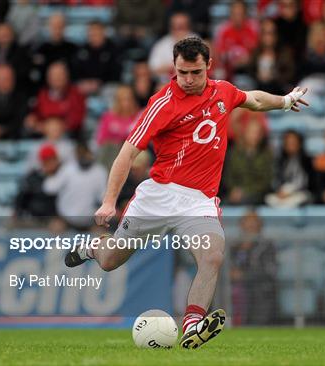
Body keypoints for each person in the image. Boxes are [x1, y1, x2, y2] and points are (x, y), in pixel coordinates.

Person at [64, 37, 308, 349]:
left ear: (209, 65)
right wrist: (109, 201)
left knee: (213, 255)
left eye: (195, 72)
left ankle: (192, 324)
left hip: (199, 200)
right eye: (182, 73)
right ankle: (93, 248)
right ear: (174, 69)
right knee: (111, 260)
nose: (189, 80)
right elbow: (126, 154)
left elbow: (254, 100)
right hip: (159, 195)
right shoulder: (162, 104)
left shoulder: (223, 91)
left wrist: (285, 101)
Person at [43, 142, 107, 231]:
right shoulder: (67, 169)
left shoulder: (100, 171)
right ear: (76, 155)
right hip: (66, 219)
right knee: (55, 229)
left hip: (90, 220)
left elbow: (103, 198)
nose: (84, 156)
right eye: (81, 153)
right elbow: (50, 188)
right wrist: (50, 171)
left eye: (86, 153)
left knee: (103, 236)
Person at [230, 210, 276, 325]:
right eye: (247, 221)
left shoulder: (267, 245)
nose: (251, 225)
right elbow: (227, 267)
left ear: (260, 225)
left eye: (254, 222)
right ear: (241, 224)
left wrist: (243, 276)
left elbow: (270, 271)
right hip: (233, 291)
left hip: (258, 291)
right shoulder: (233, 245)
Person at [25, 62, 86, 137]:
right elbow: (35, 115)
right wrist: (37, 124)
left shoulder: (76, 94)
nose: (56, 78)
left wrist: (58, 126)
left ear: (66, 76)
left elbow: (77, 119)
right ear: (48, 78)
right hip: (44, 135)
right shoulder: (42, 94)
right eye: (53, 75)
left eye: (59, 75)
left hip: (69, 136)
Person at [224, 119, 273, 205]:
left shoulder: (267, 154)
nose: (255, 136)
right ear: (245, 133)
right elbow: (228, 176)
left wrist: (244, 191)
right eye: (252, 132)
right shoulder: (234, 153)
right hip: (234, 194)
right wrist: (233, 189)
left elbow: (267, 180)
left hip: (258, 195)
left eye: (257, 133)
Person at [95, 85, 140, 170]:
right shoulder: (108, 117)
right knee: (109, 148)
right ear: (117, 101)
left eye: (129, 99)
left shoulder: (138, 117)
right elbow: (101, 139)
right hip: (112, 152)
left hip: (131, 153)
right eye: (123, 99)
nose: (126, 103)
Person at [265, 130, 313, 208]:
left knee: (302, 198)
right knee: (269, 199)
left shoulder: (306, 161)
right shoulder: (279, 161)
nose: (291, 145)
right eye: (288, 142)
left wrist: (290, 190)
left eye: (293, 142)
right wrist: (280, 191)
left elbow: (305, 182)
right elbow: (275, 180)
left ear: (299, 143)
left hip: (299, 193)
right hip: (281, 194)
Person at [14, 144, 60, 224]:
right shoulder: (33, 178)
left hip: (55, 220)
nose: (50, 163)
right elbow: (21, 199)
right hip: (34, 219)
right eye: (46, 160)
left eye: (52, 159)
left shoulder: (63, 176)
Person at [214, 0, 259, 81]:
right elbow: (219, 53)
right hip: (229, 67)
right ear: (230, 14)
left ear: (245, 14)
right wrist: (230, 59)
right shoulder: (223, 30)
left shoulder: (253, 28)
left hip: (250, 67)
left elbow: (257, 50)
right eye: (234, 14)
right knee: (219, 72)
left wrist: (249, 58)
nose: (237, 17)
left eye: (240, 14)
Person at [74, 21, 122, 95]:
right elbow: (76, 70)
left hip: (106, 86)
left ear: (103, 33)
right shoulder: (82, 50)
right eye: (92, 33)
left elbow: (116, 73)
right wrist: (86, 82)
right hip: (86, 86)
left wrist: (100, 82)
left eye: (97, 32)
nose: (94, 35)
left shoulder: (113, 49)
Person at [148, 13, 196, 84]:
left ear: (188, 26)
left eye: (181, 26)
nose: (178, 30)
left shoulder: (196, 40)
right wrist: (171, 68)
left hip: (192, 83)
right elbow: (152, 68)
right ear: (171, 27)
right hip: (166, 84)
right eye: (175, 26)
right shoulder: (162, 44)